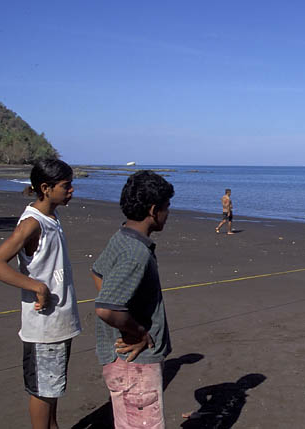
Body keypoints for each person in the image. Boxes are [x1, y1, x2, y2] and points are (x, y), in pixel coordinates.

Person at [0, 159, 81, 429]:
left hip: (58, 323)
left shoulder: (51, 217)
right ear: (46, 188)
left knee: (53, 388)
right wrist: (37, 286)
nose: (72, 190)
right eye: (66, 186)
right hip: (43, 327)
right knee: (42, 390)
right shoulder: (32, 223)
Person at [90, 170, 174, 428]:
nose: (168, 213)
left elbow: (98, 272)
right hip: (134, 366)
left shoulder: (123, 236)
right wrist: (137, 332)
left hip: (122, 363)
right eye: (166, 207)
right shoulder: (135, 254)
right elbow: (106, 308)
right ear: (153, 210)